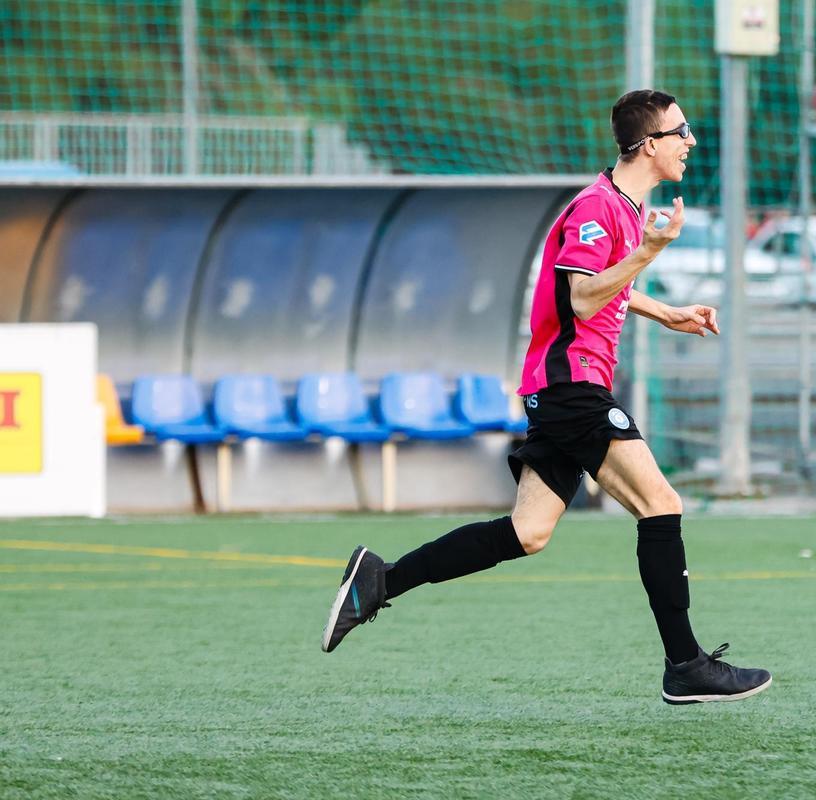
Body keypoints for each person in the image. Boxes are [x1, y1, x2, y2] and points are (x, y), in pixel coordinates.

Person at [320, 90, 772, 705]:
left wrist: (666, 312)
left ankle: (380, 580)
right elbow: (580, 297)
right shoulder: (597, 208)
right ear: (649, 145)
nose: (690, 141)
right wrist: (649, 252)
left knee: (527, 532)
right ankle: (685, 665)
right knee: (661, 504)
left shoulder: (624, 205)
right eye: (681, 130)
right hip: (571, 387)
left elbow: (598, 286)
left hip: (562, 388)